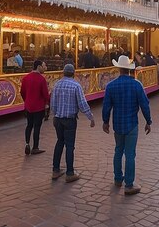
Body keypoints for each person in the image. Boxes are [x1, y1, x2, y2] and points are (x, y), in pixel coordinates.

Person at [102, 55, 152, 195]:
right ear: (129, 69)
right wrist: (148, 121)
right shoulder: (136, 85)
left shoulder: (111, 86)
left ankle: (118, 178)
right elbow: (145, 105)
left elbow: (106, 106)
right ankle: (129, 184)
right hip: (131, 123)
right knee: (130, 153)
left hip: (118, 123)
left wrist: (105, 121)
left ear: (119, 68)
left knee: (118, 150)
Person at [51, 63, 95, 183]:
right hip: (70, 119)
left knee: (60, 142)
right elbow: (82, 104)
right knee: (70, 145)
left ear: (63, 73)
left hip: (58, 118)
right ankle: (70, 172)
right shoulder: (76, 85)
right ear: (73, 73)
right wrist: (90, 117)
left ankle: (55, 169)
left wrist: (56, 114)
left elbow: (53, 104)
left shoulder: (57, 85)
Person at [21, 60, 50, 156]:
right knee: (37, 126)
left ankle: (27, 143)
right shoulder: (41, 79)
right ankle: (35, 147)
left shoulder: (25, 78)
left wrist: (27, 100)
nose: (45, 68)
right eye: (43, 66)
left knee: (29, 125)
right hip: (38, 106)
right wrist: (47, 102)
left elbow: (22, 92)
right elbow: (45, 94)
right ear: (38, 66)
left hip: (28, 105)